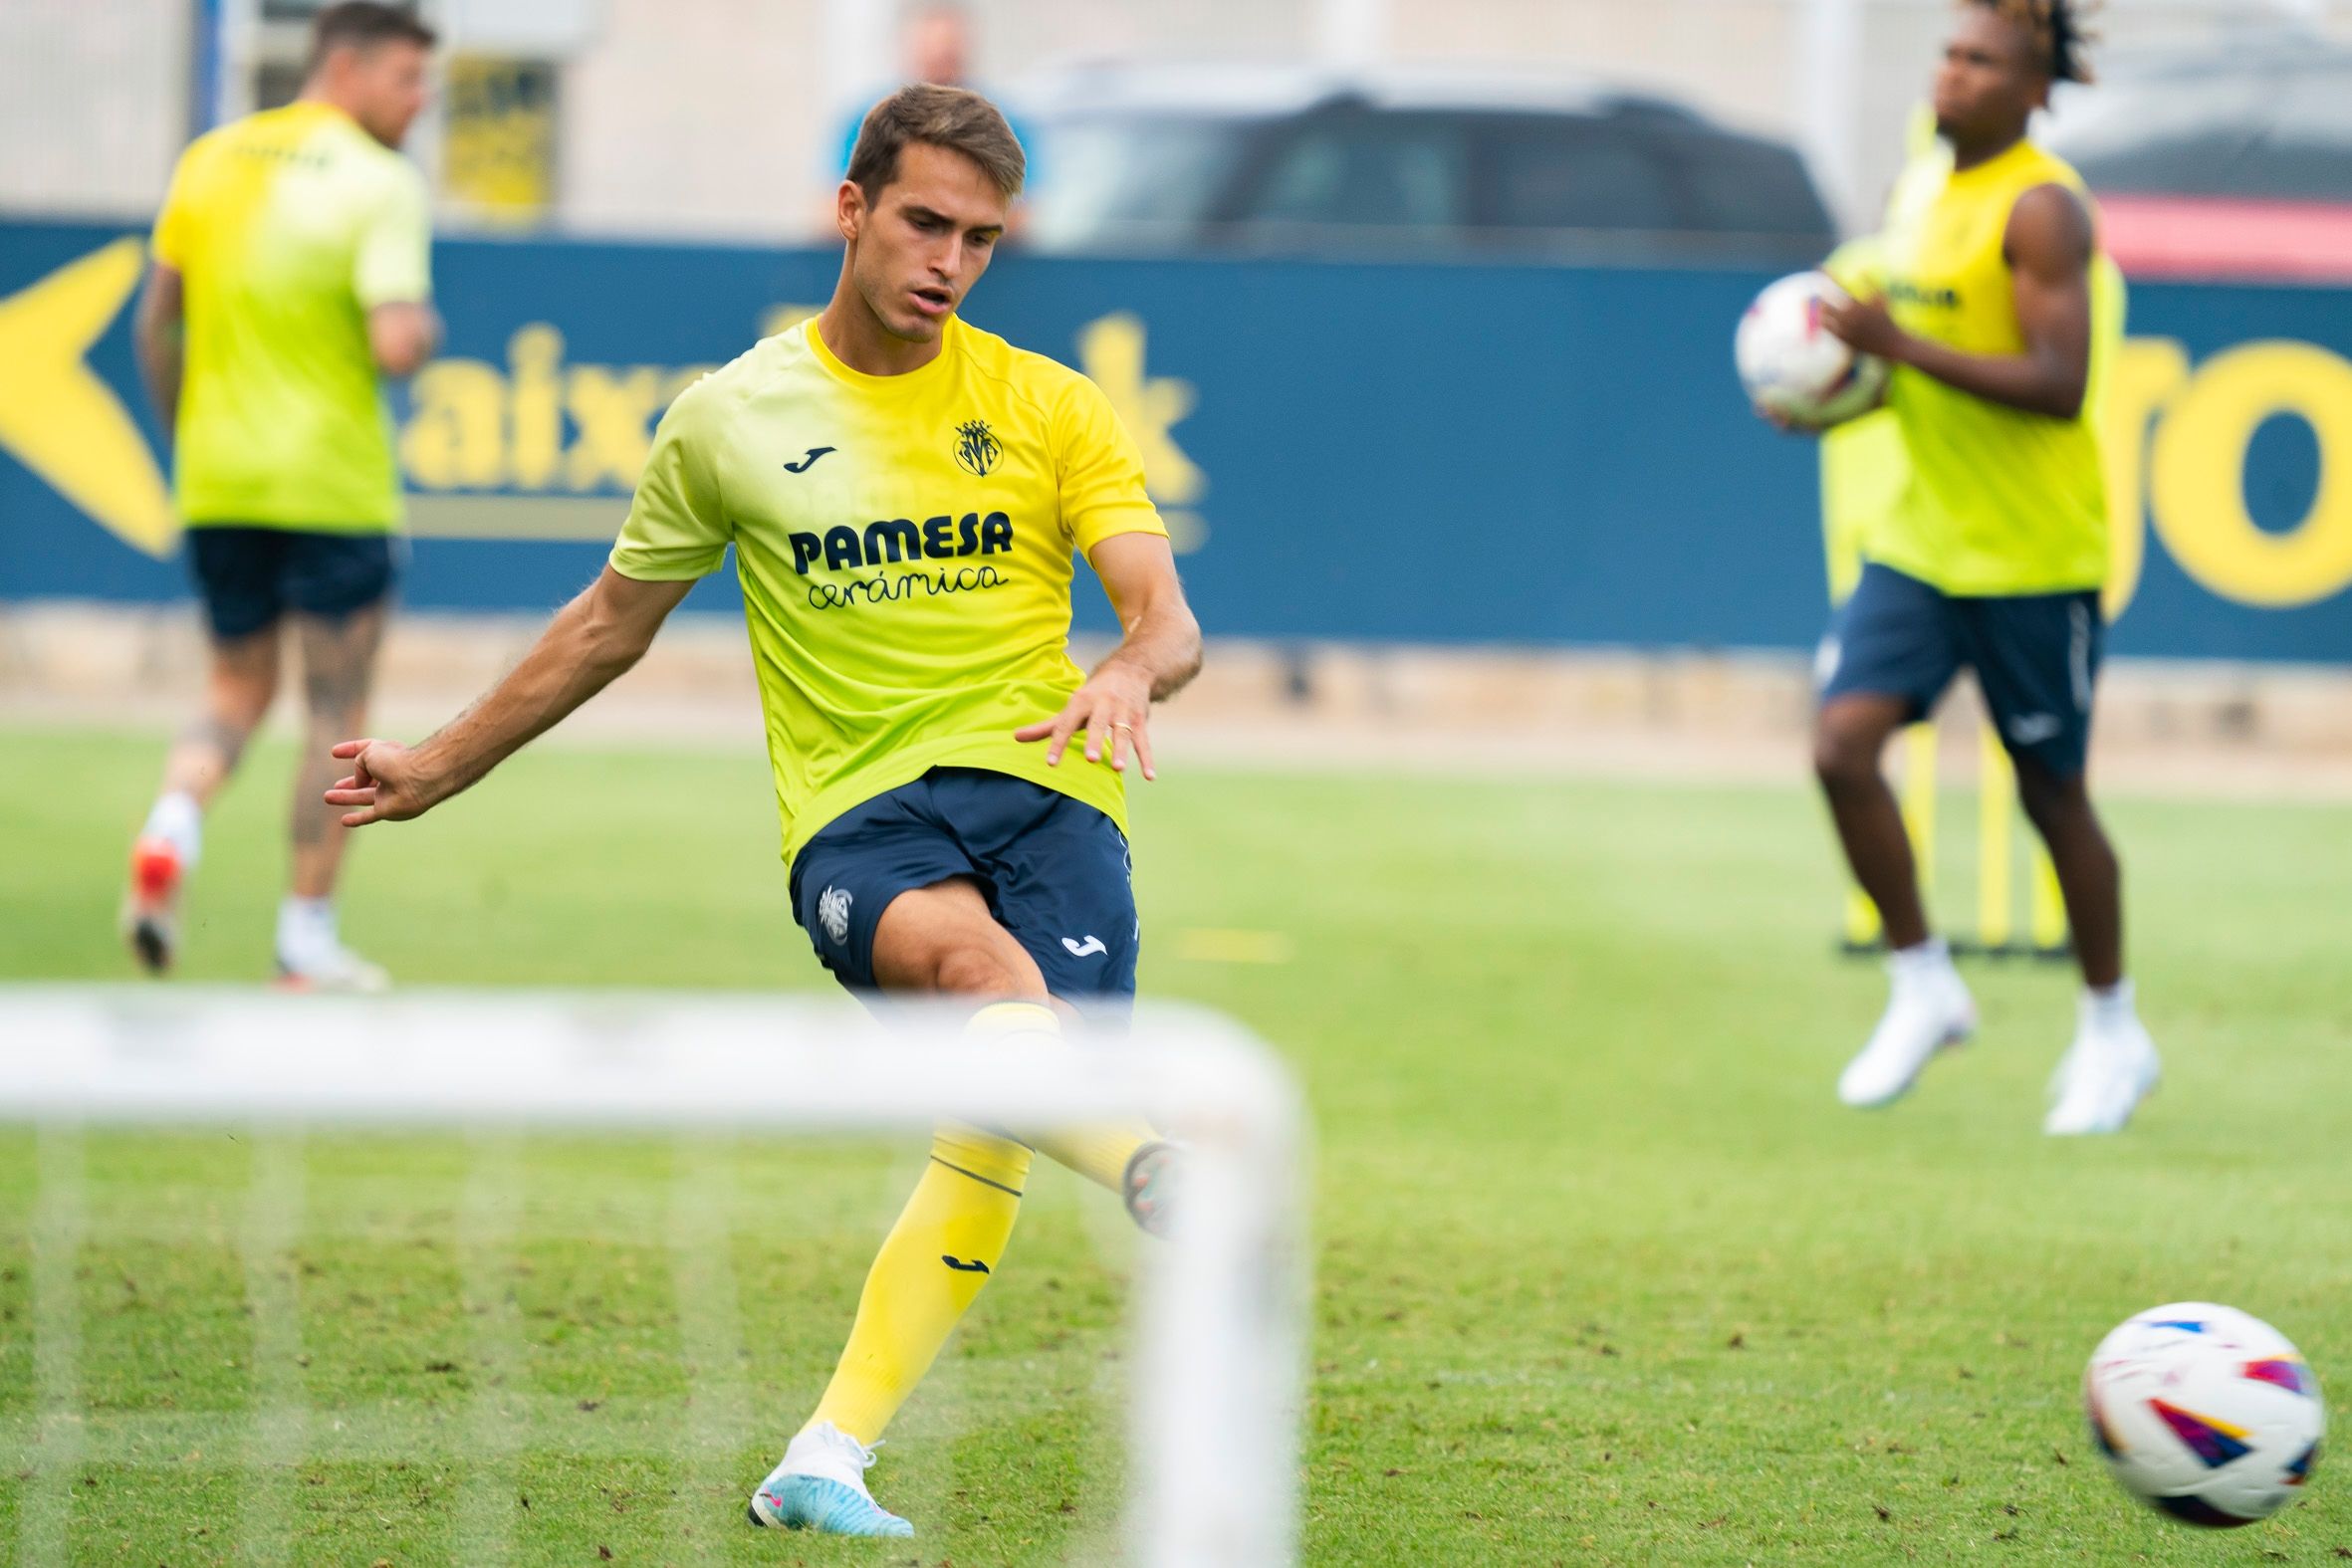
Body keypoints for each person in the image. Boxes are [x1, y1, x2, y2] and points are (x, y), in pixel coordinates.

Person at [322, 85, 1202, 1538]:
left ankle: (825, 1455)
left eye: (980, 239)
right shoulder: (729, 419)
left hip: (1055, 803)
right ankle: (1167, 1171)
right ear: (851, 209)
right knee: (991, 994)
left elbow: (1165, 620)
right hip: (865, 820)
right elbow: (606, 626)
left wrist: (1125, 668)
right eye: (924, 223)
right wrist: (440, 762)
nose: (949, 262)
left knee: (999, 1102)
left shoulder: (1049, 404)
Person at [1800, 0, 2158, 1133]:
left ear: (2035, 91)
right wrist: (1837, 397)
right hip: (1922, 541)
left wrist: (1896, 347)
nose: (1952, 75)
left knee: (2052, 796)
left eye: (1982, 62)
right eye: (1949, 55)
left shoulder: (2042, 209)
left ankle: (2112, 1029)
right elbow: (1914, 367)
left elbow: (2058, 384)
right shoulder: (1920, 188)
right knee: (1840, 747)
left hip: (2033, 557)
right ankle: (1923, 984)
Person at [124, 1, 440, 990]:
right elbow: (396, 342)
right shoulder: (379, 181)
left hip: (219, 482)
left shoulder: (209, 160)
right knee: (335, 715)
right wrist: (425, 330)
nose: (421, 101)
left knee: (233, 690)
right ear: (346, 68)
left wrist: (188, 437)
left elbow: (155, 324)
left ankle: (171, 824)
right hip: (330, 488)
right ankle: (304, 940)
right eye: (406, 79)